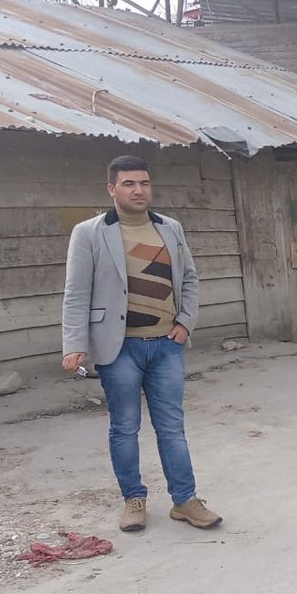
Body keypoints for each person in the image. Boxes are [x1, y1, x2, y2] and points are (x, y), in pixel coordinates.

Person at [62, 155, 222, 533]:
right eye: (130, 184)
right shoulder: (89, 232)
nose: (139, 190)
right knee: (125, 427)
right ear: (112, 189)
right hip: (119, 349)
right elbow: (76, 292)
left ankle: (184, 501)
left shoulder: (170, 228)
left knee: (172, 427)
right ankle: (133, 499)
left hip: (166, 345)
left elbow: (190, 280)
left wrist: (185, 322)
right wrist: (74, 343)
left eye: (144, 183)